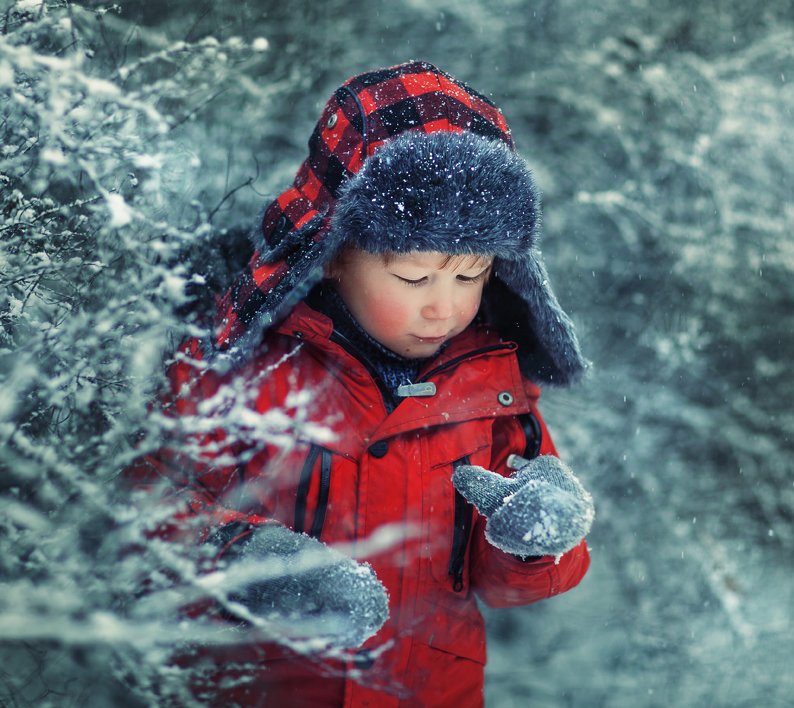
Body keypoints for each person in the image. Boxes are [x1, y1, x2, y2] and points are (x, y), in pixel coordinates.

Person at [135, 60, 593, 707]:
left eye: (472, 276)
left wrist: (536, 539)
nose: (446, 307)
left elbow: (505, 585)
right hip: (265, 691)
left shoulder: (493, 385)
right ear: (336, 251)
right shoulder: (245, 366)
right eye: (414, 278)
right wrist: (253, 564)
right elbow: (142, 503)